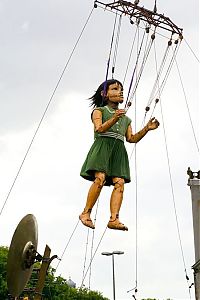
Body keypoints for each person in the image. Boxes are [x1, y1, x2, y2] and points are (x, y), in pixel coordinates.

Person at [79, 79, 159, 231]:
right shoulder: (99, 111)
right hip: (103, 147)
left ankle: (114, 219)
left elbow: (131, 139)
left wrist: (146, 129)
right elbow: (99, 129)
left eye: (120, 89)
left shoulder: (126, 118)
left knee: (120, 182)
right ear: (105, 94)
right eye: (115, 89)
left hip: (118, 150)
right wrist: (114, 118)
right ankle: (85, 213)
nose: (120, 91)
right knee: (100, 178)